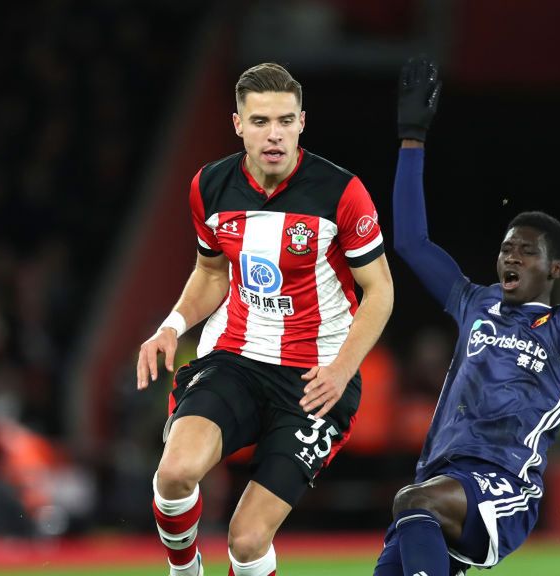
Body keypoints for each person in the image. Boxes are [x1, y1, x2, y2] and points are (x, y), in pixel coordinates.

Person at [373, 58, 560, 576]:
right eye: (506, 249)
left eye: (526, 251)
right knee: (408, 524)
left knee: (415, 501)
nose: (511, 257)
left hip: (504, 482)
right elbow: (410, 241)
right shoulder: (473, 301)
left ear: (555, 268)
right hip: (440, 477)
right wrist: (411, 138)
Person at [136, 62, 394, 576]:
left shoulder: (341, 193)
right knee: (174, 475)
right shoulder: (209, 186)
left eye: (284, 120)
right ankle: (184, 572)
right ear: (238, 124)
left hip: (314, 377)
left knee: (248, 540)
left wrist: (342, 370)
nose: (273, 134)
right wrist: (170, 325)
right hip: (234, 357)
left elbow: (380, 291)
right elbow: (211, 275)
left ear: (302, 122)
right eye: (259, 122)